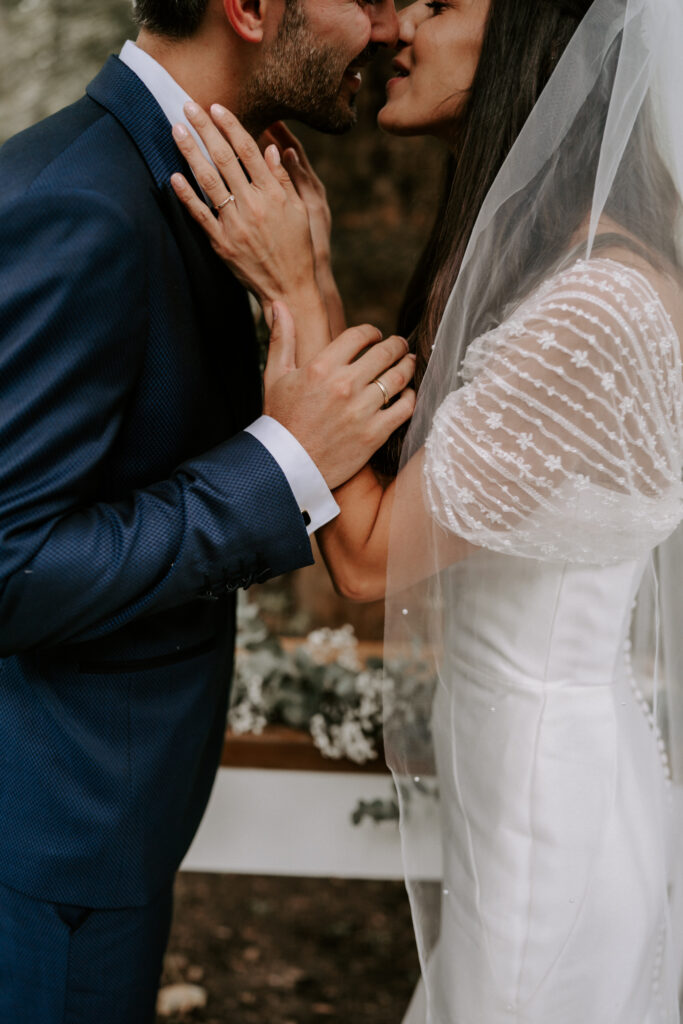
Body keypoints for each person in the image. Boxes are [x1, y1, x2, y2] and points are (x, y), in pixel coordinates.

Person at [174, 0, 683, 1018]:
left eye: (440, 4)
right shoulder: (547, 267)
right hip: (521, 804)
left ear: (529, 47)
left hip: (549, 832)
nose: (395, 24)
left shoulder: (590, 306)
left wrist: (295, 292)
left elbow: (366, 558)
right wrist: (309, 280)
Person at [0, 1, 416, 1021]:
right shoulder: (87, 204)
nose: (384, 20)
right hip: (47, 853)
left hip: (100, 834)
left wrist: (299, 288)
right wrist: (280, 465)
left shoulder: (182, 180)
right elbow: (11, 564)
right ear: (252, 9)